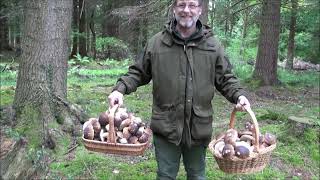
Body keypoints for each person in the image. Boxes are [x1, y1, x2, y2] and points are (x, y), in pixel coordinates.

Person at [108, 0, 251, 179]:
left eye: (192, 5)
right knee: (165, 175)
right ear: (174, 9)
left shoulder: (212, 45)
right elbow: (138, 72)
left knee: (197, 175)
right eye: (181, 5)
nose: (186, 10)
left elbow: (225, 78)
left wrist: (239, 95)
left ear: (200, 10)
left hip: (198, 127)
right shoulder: (157, 43)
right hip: (166, 125)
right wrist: (120, 89)